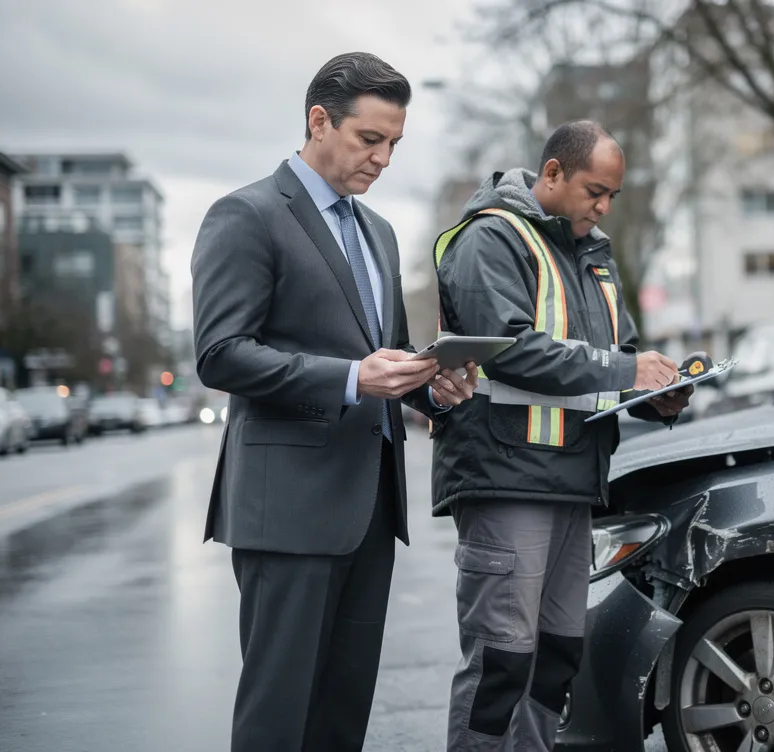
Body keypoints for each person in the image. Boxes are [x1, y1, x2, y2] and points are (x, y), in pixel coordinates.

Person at [190, 52, 478, 751]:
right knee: (277, 718)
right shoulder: (246, 214)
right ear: (319, 121)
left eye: (394, 144)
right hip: (286, 511)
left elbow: (391, 358)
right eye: (369, 140)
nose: (383, 159)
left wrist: (433, 388)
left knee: (341, 716)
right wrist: (352, 379)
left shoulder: (377, 232)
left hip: (369, 510)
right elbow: (220, 353)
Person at [429, 120, 691, 750]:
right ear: (551, 174)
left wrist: (659, 395)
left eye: (612, 197)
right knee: (502, 664)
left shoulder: (593, 252)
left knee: (554, 659)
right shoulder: (492, 238)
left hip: (572, 483)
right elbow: (511, 350)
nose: (603, 208)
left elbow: (616, 354)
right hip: (505, 477)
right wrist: (627, 369)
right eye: (594, 191)